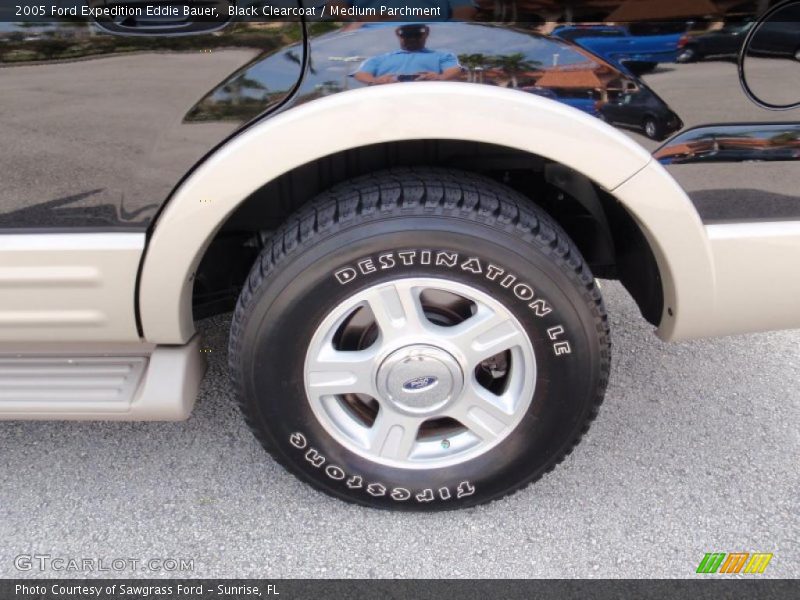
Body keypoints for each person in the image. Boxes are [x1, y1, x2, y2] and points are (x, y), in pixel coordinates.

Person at [353, 24, 463, 85]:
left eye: (416, 35)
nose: (412, 38)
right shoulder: (379, 59)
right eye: (407, 35)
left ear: (426, 34)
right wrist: (376, 81)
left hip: (429, 97)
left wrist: (440, 77)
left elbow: (454, 70)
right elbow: (361, 74)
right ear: (398, 35)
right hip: (386, 98)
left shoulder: (443, 56)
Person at [327, 0, 477, 22]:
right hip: (370, 35)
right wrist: (357, 18)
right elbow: (332, 6)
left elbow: (465, 10)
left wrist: (448, 31)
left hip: (435, 36)